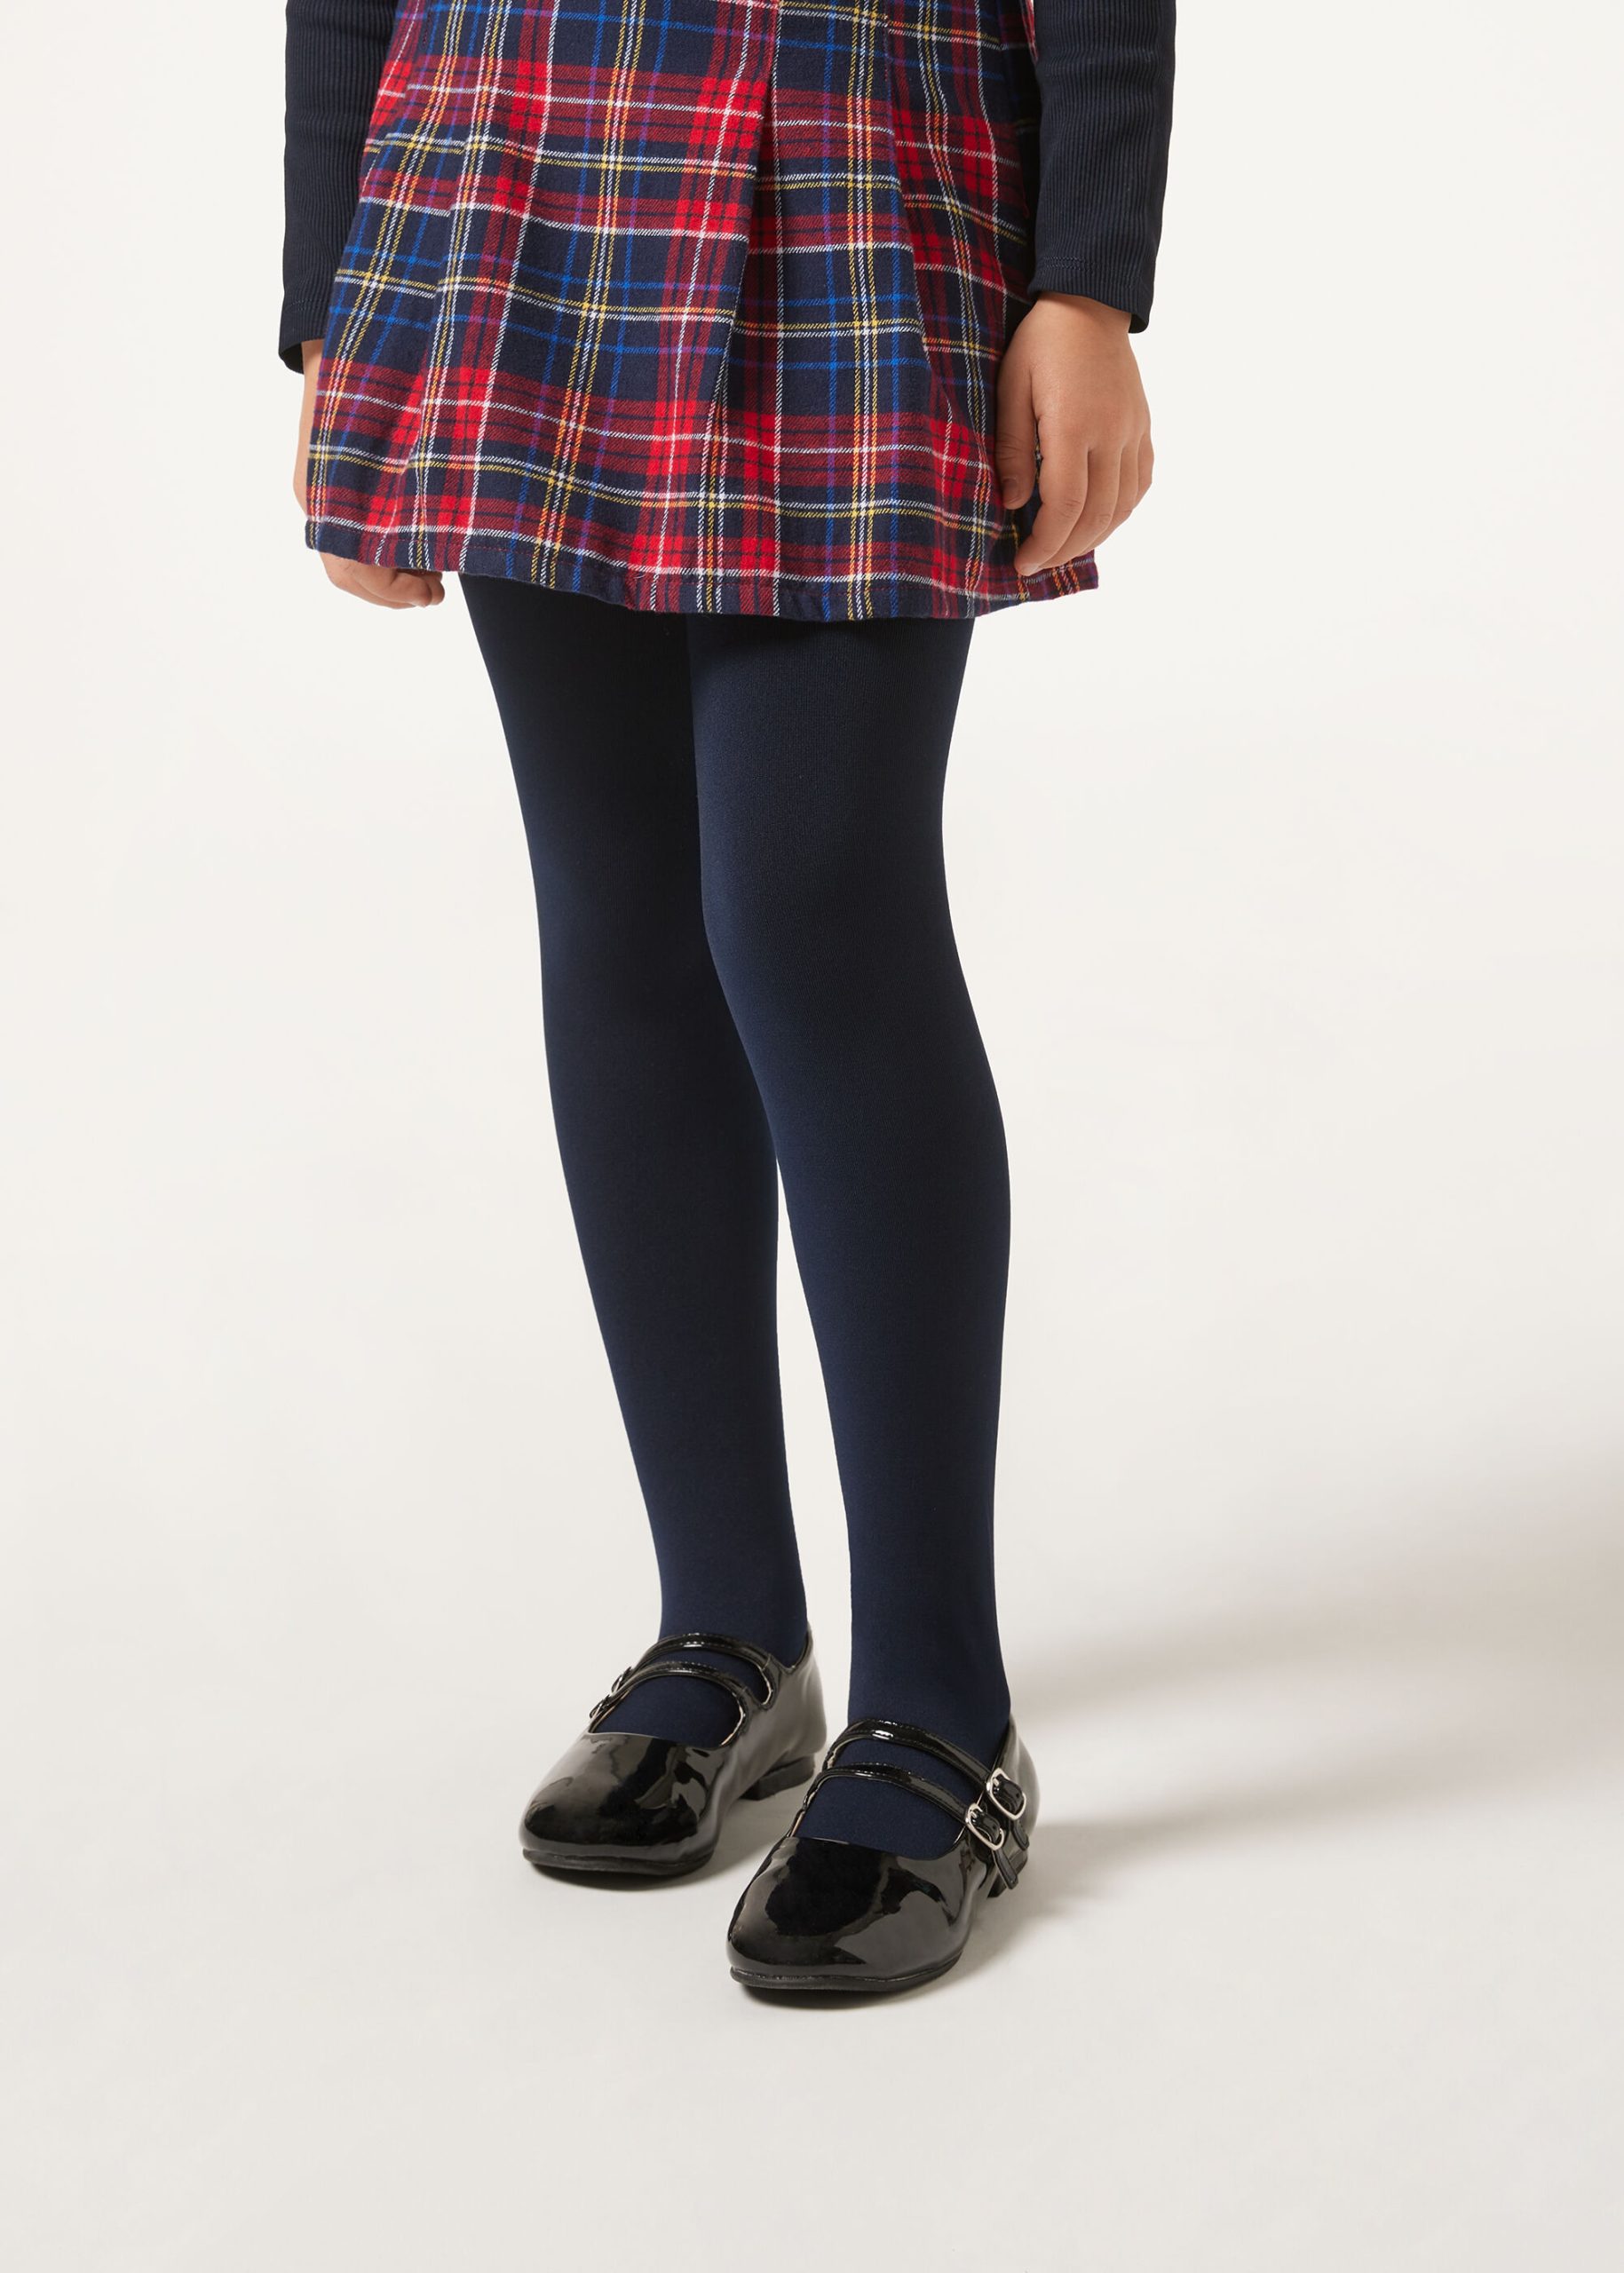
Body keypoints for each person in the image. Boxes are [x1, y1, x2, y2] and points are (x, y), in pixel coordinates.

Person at [281, 0, 1174, 1995]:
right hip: (512, 150)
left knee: (815, 914)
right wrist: (334, 276)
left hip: (858, 145)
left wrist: (1090, 273)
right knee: (620, 918)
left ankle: (940, 1703)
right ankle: (730, 1632)